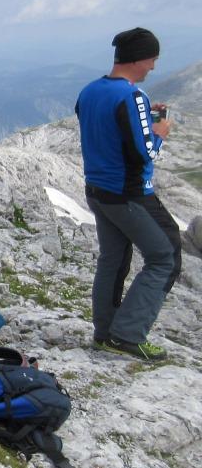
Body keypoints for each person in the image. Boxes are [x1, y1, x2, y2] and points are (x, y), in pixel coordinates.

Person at [75, 27, 181, 361]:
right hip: (130, 194)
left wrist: (147, 121)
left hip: (98, 190)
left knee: (113, 258)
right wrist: (160, 132)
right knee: (165, 256)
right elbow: (143, 152)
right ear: (139, 58)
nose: (153, 67)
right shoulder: (132, 96)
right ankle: (128, 335)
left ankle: (105, 333)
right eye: (152, 59)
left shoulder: (90, 91)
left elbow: (110, 131)